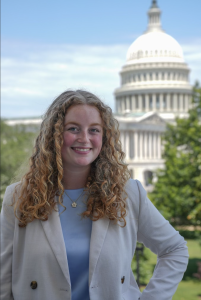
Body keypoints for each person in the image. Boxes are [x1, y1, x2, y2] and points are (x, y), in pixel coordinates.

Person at [1, 90, 189, 300]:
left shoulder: (128, 194)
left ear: (104, 137)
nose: (84, 139)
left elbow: (175, 248)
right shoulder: (18, 197)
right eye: (73, 128)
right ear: (53, 135)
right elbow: (3, 277)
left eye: (94, 130)